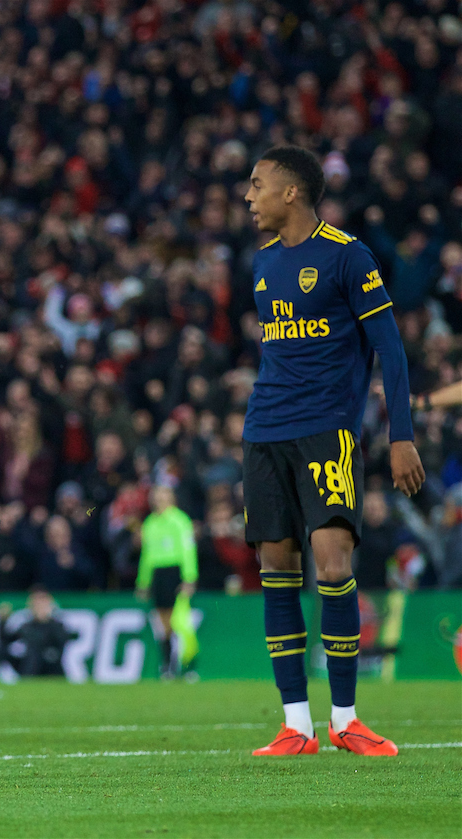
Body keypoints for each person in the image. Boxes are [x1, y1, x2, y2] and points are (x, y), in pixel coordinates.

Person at [242, 147, 425, 757]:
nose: (249, 197)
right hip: (265, 431)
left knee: (332, 565)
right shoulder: (262, 263)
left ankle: (345, 718)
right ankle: (297, 726)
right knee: (275, 568)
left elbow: (391, 352)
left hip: (328, 433)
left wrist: (400, 435)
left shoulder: (348, 256)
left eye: (257, 185)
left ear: (291, 193)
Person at [135, 485, 198, 679]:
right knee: (162, 623)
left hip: (175, 571)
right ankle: (168, 665)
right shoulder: (150, 523)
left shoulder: (180, 521)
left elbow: (188, 550)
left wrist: (189, 577)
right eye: (156, 496)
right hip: (157, 574)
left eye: (163, 496)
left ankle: (189, 665)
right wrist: (143, 582)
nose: (159, 500)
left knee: (179, 621)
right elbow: (147, 556)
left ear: (171, 498)